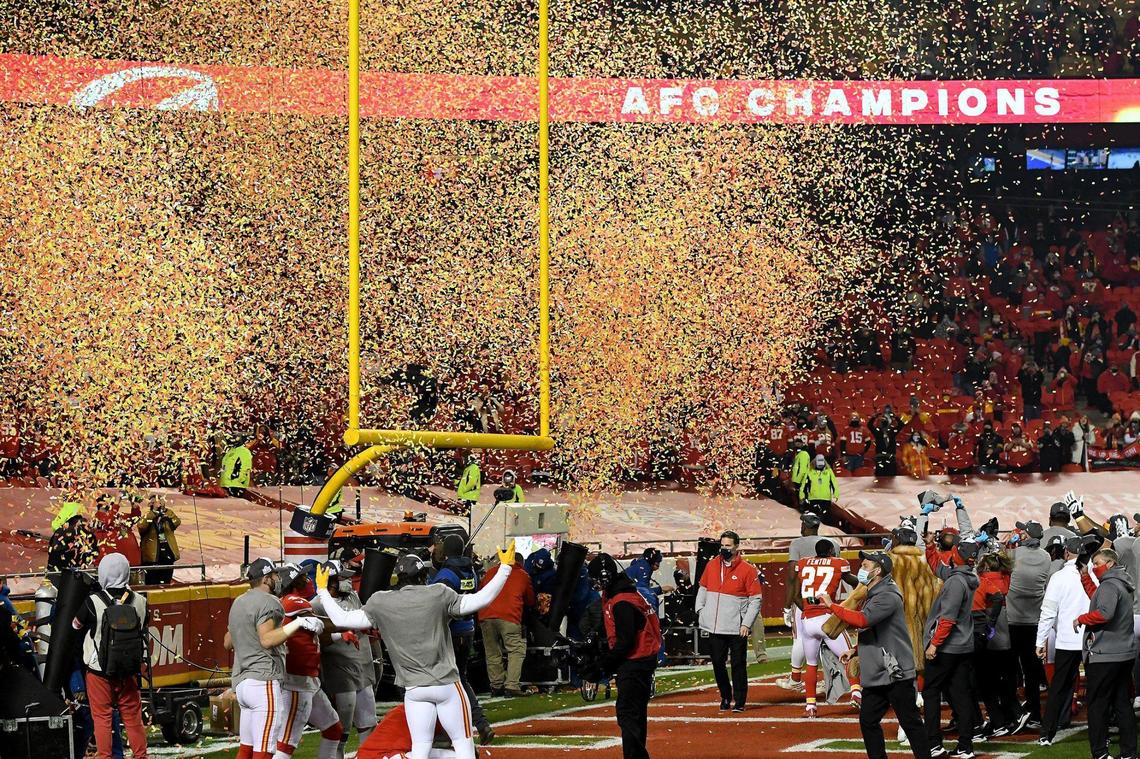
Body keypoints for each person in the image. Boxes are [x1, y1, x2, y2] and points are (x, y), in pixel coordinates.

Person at [313, 542, 519, 759]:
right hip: (445, 684)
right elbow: (480, 600)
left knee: (420, 749)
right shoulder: (438, 593)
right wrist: (504, 569)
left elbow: (342, 619)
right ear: (423, 576)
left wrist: (322, 591)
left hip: (414, 689)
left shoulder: (381, 601)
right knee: (462, 745)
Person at [818, 551, 930, 759]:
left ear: (878, 571)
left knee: (910, 723)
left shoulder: (887, 595)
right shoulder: (877, 592)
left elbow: (863, 621)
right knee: (868, 720)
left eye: (866, 565)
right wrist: (856, 650)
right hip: (879, 673)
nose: (861, 569)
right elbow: (878, 631)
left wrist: (831, 605)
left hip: (895, 672)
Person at [225, 558, 322, 759]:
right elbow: (267, 640)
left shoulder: (239, 601)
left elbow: (227, 642)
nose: (279, 579)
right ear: (267, 578)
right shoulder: (269, 602)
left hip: (242, 684)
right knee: (264, 752)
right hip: (262, 682)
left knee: (246, 750)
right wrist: (298, 623)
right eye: (275, 575)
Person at [71, 553, 149, 759]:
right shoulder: (140, 601)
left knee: (102, 719)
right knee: (133, 719)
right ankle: (141, 756)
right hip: (129, 671)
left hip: (99, 672)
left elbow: (75, 625)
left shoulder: (93, 601)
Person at [585, 553, 659, 759]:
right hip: (640, 661)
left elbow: (625, 641)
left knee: (629, 715)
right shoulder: (620, 594)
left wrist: (602, 667)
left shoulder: (622, 600)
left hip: (635, 662)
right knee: (634, 715)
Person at [272, 563, 344, 759]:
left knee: (333, 729)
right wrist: (350, 624)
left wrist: (342, 635)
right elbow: (329, 623)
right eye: (305, 577)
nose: (309, 580)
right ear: (296, 582)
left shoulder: (292, 604)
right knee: (286, 744)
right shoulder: (294, 601)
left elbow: (313, 637)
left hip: (308, 680)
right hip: (297, 682)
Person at [309, 560, 380, 755]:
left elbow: (364, 626)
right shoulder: (316, 605)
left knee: (369, 725)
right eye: (342, 577)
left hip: (363, 669)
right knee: (342, 732)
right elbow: (317, 640)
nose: (347, 581)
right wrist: (340, 635)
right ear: (330, 580)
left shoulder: (353, 597)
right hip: (340, 673)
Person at [428, 534, 494, 744]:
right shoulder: (470, 571)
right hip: (467, 628)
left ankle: (457, 728)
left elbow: (438, 603)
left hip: (451, 632)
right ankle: (478, 723)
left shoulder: (447, 574)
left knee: (448, 681)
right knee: (460, 678)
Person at [921, 539, 980, 759]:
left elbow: (948, 618)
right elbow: (938, 567)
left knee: (931, 692)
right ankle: (966, 746)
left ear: (957, 556)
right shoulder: (965, 576)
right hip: (963, 645)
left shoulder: (956, 582)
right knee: (960, 693)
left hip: (947, 647)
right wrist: (930, 547)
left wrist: (934, 644)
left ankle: (934, 744)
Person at [1076, 548, 1137, 759]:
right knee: (1122, 704)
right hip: (1124, 653)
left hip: (1105, 655)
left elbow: (1104, 612)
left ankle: (1100, 753)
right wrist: (1085, 578)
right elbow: (1099, 598)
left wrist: (1081, 619)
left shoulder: (1109, 586)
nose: (1094, 566)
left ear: (1109, 563)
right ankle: (1129, 753)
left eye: (1097, 562)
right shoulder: (1120, 583)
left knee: (1098, 705)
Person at [791, 539, 861, 715]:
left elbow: (795, 595)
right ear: (831, 550)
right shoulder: (838, 563)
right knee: (849, 656)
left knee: (811, 664)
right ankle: (856, 693)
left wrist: (809, 608)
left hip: (808, 620)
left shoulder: (803, 563)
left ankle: (811, 706)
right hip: (826, 618)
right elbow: (854, 582)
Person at [695, 530, 762, 711]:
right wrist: (700, 609)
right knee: (717, 662)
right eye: (722, 545)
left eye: (728, 546)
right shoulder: (711, 565)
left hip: (737, 626)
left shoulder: (748, 569)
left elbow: (755, 599)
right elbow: (703, 588)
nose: (724, 549)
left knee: (738, 664)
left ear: (736, 546)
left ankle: (739, 701)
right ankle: (725, 696)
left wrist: (746, 623)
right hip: (715, 626)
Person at [1035, 536, 1088, 747]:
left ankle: (1046, 733)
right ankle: (1104, 731)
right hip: (1091, 640)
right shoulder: (1093, 575)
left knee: (1058, 687)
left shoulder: (1058, 577)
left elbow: (1048, 613)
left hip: (1067, 640)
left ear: (1066, 553)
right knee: (1099, 687)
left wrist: (1040, 641)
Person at [779, 514, 840, 691]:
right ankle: (830, 679)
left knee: (802, 639)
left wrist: (787, 606)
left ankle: (795, 678)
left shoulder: (797, 544)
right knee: (829, 641)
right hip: (827, 600)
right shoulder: (833, 544)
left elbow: (792, 576)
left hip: (805, 599)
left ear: (805, 526)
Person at [1005, 520, 1050, 731]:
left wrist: (1009, 545)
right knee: (1032, 670)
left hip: (1012, 621)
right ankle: (1034, 713)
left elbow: (997, 562)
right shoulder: (1046, 557)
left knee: (1010, 669)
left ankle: (1011, 712)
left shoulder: (1015, 555)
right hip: (1034, 622)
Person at [477, 549, 535, 697]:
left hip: (486, 615)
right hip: (510, 617)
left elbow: (480, 591)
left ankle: (496, 686)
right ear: (520, 563)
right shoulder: (522, 575)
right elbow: (530, 600)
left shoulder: (490, 572)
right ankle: (512, 685)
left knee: (492, 652)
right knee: (516, 650)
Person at [137, 496, 180, 584]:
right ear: (151, 504)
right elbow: (141, 526)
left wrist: (166, 512)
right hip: (152, 555)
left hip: (167, 553)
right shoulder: (147, 515)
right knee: (151, 582)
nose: (158, 504)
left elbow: (177, 522)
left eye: (159, 502)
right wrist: (154, 512)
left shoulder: (168, 513)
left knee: (166, 580)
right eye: (154, 502)